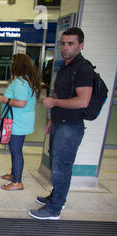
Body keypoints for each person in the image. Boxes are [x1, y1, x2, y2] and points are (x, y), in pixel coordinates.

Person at [29, 27, 94, 220]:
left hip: (70, 126)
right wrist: (51, 119)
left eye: (70, 43)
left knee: (61, 166)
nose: (65, 47)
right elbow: (63, 94)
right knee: (56, 163)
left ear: (81, 45)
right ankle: (56, 197)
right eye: (63, 43)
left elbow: (83, 101)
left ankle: (54, 209)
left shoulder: (83, 68)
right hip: (60, 123)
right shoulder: (66, 66)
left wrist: (55, 102)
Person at [0, 54, 42, 191]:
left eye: (12, 62)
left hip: (18, 122)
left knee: (16, 151)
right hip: (22, 120)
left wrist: (2, 99)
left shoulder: (20, 82)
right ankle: (14, 174)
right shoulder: (27, 80)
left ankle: (17, 182)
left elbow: (21, 103)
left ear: (18, 64)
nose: (11, 65)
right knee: (16, 149)